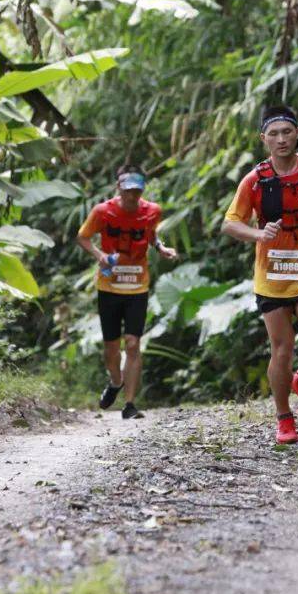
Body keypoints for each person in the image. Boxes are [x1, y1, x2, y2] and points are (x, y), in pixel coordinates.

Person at [221, 106, 298, 443]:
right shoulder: (255, 180)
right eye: (273, 134)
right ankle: (284, 418)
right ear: (264, 139)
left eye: (287, 132)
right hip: (271, 277)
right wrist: (258, 234)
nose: (281, 139)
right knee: (282, 349)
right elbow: (229, 223)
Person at [77, 165, 178, 419]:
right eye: (127, 191)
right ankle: (115, 381)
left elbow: (150, 233)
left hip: (137, 286)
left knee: (132, 344)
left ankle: (130, 405)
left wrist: (160, 248)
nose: (132, 196)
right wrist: (100, 256)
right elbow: (83, 237)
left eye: (137, 191)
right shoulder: (102, 212)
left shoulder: (152, 211)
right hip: (109, 286)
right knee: (111, 348)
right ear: (118, 188)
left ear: (142, 189)